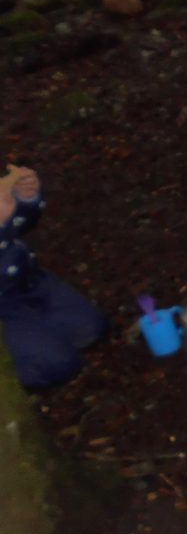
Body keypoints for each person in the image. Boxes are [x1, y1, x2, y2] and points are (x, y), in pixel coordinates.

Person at [0, 164, 108, 392]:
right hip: (4, 309)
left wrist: (25, 198)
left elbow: (17, 223)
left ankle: (43, 337)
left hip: (28, 282)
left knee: (90, 328)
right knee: (58, 365)